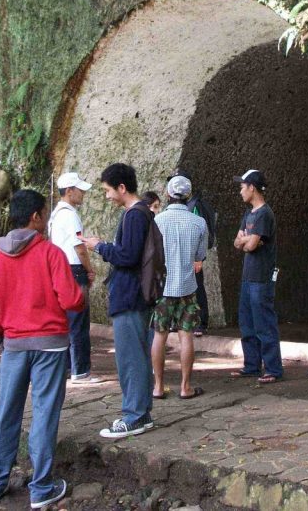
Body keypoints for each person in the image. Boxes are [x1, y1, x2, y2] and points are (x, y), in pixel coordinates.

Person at [0, 189, 84, 507]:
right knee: (43, 414)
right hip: (50, 346)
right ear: (36, 217)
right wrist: (82, 293)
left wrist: (2, 335)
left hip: (14, 345)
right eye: (44, 213)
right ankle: (41, 489)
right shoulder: (51, 253)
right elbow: (71, 300)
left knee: (6, 412)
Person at [81, 163, 155, 438]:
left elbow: (128, 256)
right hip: (136, 295)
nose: (107, 196)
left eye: (108, 191)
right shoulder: (140, 213)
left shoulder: (135, 215)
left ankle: (133, 415)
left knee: (130, 358)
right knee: (138, 355)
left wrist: (99, 247)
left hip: (130, 296)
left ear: (122, 188)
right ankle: (142, 413)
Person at [151, 175, 207, 400]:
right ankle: (185, 387)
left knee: (159, 335)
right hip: (187, 287)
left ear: (168, 194)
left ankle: (157, 386)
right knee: (186, 336)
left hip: (163, 288)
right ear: (189, 196)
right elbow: (200, 256)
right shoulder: (199, 223)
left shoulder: (157, 221)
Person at [230, 169, 282, 384]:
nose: (240, 191)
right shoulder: (248, 214)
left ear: (252, 187)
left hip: (262, 277)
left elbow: (250, 244)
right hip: (248, 277)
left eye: (242, 186)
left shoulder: (264, 214)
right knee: (247, 323)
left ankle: (273, 368)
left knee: (264, 323)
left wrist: (248, 241)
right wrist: (247, 241)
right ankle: (251, 365)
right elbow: (238, 242)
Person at [47, 171, 99, 383]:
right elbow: (79, 248)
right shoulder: (70, 215)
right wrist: (89, 270)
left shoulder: (56, 213)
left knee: (67, 321)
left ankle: (69, 367)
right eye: (80, 191)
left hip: (60, 269)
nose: (82, 195)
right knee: (78, 321)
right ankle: (80, 370)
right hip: (75, 270)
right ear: (69, 192)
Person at [169, 168, 217, 337]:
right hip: (183, 256)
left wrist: (199, 258)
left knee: (196, 288)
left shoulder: (195, 206)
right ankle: (180, 320)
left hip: (192, 257)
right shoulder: (186, 206)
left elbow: (200, 233)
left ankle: (201, 323)